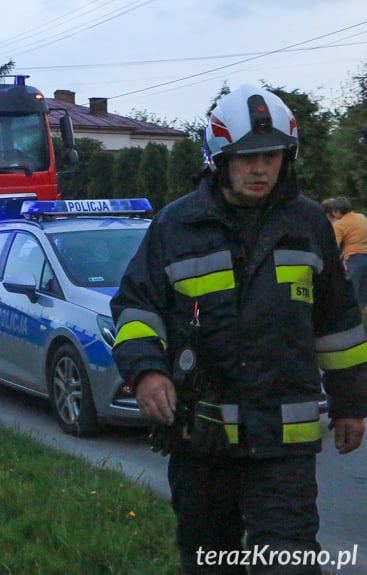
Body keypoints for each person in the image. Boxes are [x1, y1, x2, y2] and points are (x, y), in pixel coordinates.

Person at [110, 85, 367, 574]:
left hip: (283, 442)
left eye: (271, 156)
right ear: (219, 159)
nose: (260, 168)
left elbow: (338, 324)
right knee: (211, 560)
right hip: (201, 440)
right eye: (246, 157)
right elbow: (136, 307)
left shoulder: (309, 222)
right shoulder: (176, 225)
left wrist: (352, 406)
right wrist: (146, 373)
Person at [321, 196, 367, 313]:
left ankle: (355, 320)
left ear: (337, 211)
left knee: (354, 292)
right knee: (364, 294)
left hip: (354, 258)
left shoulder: (340, 225)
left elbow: (333, 246)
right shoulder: (361, 217)